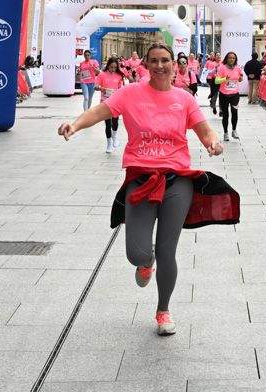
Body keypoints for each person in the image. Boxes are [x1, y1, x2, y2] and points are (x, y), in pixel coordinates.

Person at [57, 44, 227, 337]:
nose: (160, 66)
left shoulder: (184, 99)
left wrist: (213, 142)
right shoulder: (131, 93)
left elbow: (203, 129)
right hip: (140, 177)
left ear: (174, 64)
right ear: (145, 65)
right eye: (154, 61)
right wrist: (74, 125)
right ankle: (145, 263)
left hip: (177, 179)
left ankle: (163, 310)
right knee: (137, 253)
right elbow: (99, 112)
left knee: (167, 250)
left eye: (165, 61)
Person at [94, 57, 126, 155]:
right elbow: (96, 86)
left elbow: (121, 88)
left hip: (116, 102)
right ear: (108, 66)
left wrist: (120, 92)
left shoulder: (119, 75)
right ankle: (109, 144)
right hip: (105, 102)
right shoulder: (102, 75)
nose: (112, 69)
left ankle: (115, 136)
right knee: (107, 124)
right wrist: (101, 88)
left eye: (114, 68)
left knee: (115, 123)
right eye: (111, 67)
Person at [214, 51, 245, 141]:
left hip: (235, 94)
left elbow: (240, 78)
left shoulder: (238, 68)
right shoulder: (222, 68)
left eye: (233, 58)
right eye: (230, 58)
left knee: (235, 113)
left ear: (235, 59)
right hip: (224, 95)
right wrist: (224, 79)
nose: (231, 59)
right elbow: (216, 81)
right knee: (226, 115)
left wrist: (240, 79)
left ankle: (234, 130)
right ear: (226, 59)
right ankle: (225, 133)